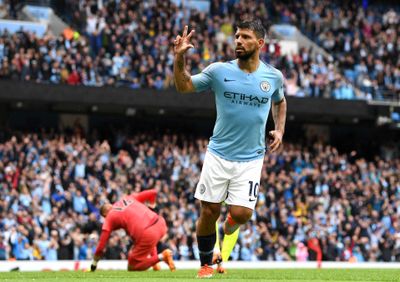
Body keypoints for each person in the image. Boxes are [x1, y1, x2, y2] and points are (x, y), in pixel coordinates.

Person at [173, 18, 287, 278]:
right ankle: (205, 263)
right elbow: (184, 86)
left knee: (242, 214)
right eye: (237, 36)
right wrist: (179, 58)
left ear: (259, 43)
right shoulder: (219, 71)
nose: (238, 41)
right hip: (218, 154)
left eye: (245, 37)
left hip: (251, 158)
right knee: (209, 210)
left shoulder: (273, 77)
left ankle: (230, 225)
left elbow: (280, 102)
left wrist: (279, 129)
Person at [90, 189, 176, 272]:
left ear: (105, 214)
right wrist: (152, 205)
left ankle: (163, 256)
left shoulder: (110, 216)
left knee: (132, 266)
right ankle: (155, 264)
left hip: (148, 233)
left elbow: (101, 245)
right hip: (161, 223)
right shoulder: (127, 198)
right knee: (141, 240)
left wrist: (94, 264)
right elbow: (153, 192)